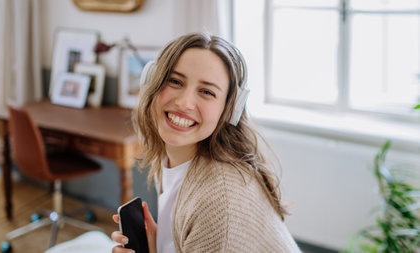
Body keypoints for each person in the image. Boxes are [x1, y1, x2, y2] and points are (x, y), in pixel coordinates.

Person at [111, 32, 301, 253]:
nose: (184, 102)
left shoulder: (218, 202)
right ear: (151, 81)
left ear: (230, 110)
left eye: (206, 92)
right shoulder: (175, 156)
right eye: (175, 81)